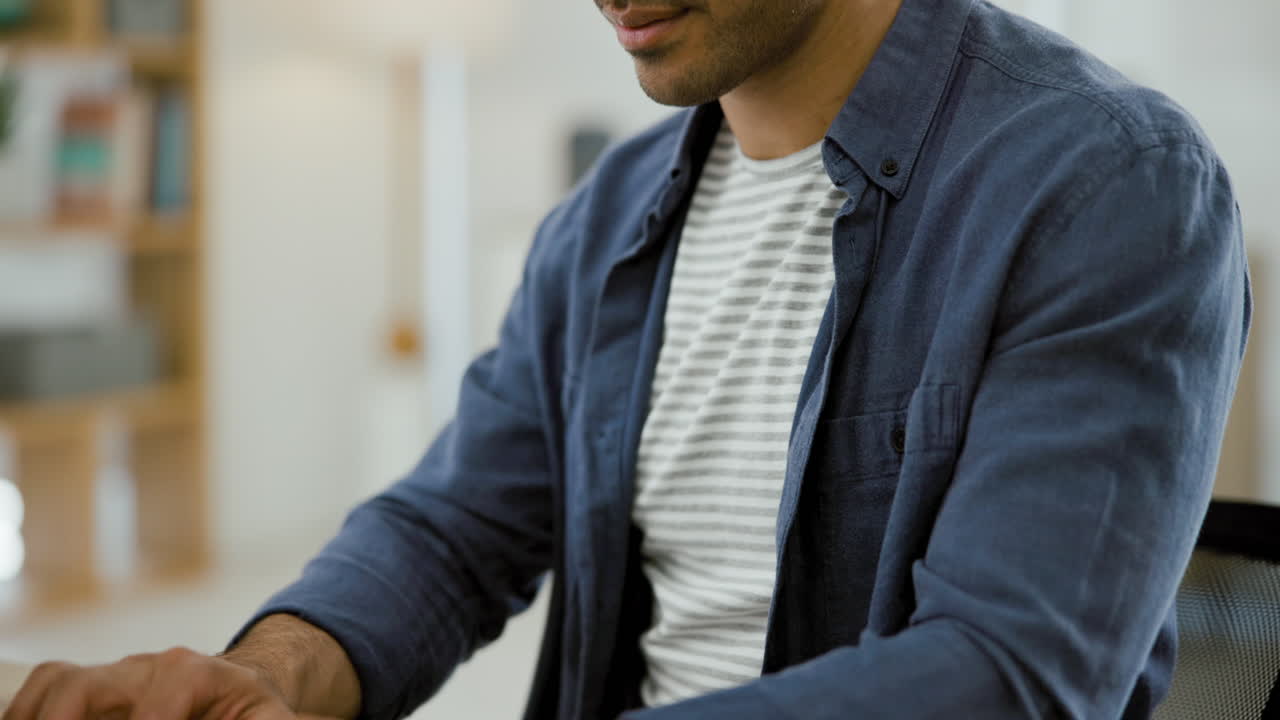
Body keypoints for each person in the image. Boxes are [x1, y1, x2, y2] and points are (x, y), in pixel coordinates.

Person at [5, 0, 1251, 718]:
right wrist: (264, 678)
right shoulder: (604, 217)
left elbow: (1007, 678)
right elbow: (453, 529)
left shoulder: (1102, 184)